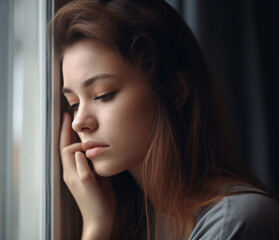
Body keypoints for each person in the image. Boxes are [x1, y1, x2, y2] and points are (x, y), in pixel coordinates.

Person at [53, 0, 279, 239]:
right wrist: (97, 223)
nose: (79, 122)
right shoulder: (137, 222)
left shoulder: (236, 222)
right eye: (74, 104)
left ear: (175, 91)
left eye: (103, 95)